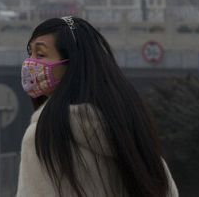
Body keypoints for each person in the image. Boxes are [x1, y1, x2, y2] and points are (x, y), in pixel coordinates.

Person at [16, 16, 178, 197]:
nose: (30, 63)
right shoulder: (132, 133)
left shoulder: (43, 137)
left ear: (72, 64)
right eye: (29, 53)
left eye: (40, 54)